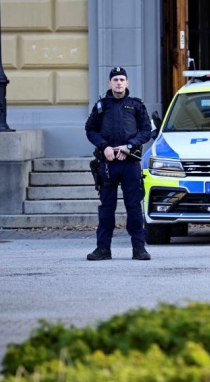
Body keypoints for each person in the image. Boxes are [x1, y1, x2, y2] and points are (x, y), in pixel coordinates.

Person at [85, 67, 152, 261]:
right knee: (107, 208)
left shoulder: (136, 105)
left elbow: (146, 131)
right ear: (109, 83)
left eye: (122, 79)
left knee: (134, 206)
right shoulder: (101, 106)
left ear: (127, 83)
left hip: (129, 163)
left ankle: (139, 248)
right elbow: (90, 131)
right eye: (115, 80)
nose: (119, 83)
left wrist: (129, 146)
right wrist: (104, 146)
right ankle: (103, 249)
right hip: (107, 164)